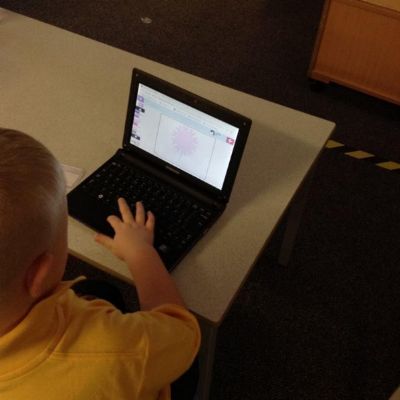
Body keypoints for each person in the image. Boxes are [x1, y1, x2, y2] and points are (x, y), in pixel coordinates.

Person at [0, 128, 201, 399]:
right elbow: (184, 334)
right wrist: (140, 253)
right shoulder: (116, 350)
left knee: (101, 290)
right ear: (39, 274)